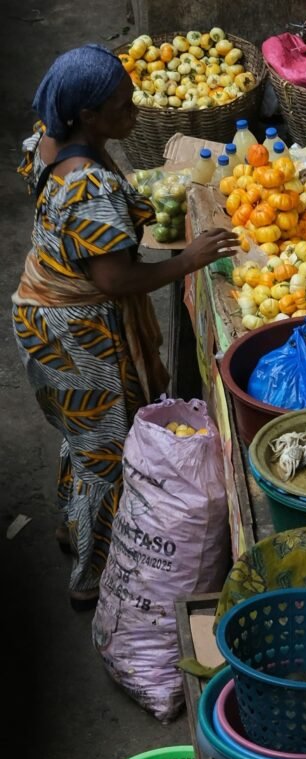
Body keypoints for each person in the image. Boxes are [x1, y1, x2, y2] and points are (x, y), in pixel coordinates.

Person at [11, 44, 238, 611]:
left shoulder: (49, 138)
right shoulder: (89, 187)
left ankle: (72, 528)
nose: (134, 112)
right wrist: (192, 258)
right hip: (79, 333)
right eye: (121, 105)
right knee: (106, 452)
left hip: (42, 311)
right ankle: (91, 576)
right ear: (87, 115)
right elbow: (115, 279)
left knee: (83, 434)